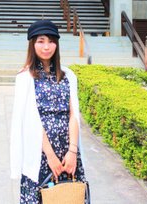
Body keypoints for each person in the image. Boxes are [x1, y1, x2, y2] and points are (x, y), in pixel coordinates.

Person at [10, 20, 88, 203]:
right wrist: (51, 157)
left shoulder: (68, 76)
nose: (47, 47)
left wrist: (72, 152)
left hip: (68, 150)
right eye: (41, 41)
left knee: (70, 196)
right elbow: (31, 120)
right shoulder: (25, 78)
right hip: (40, 152)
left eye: (51, 41)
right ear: (32, 44)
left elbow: (73, 115)